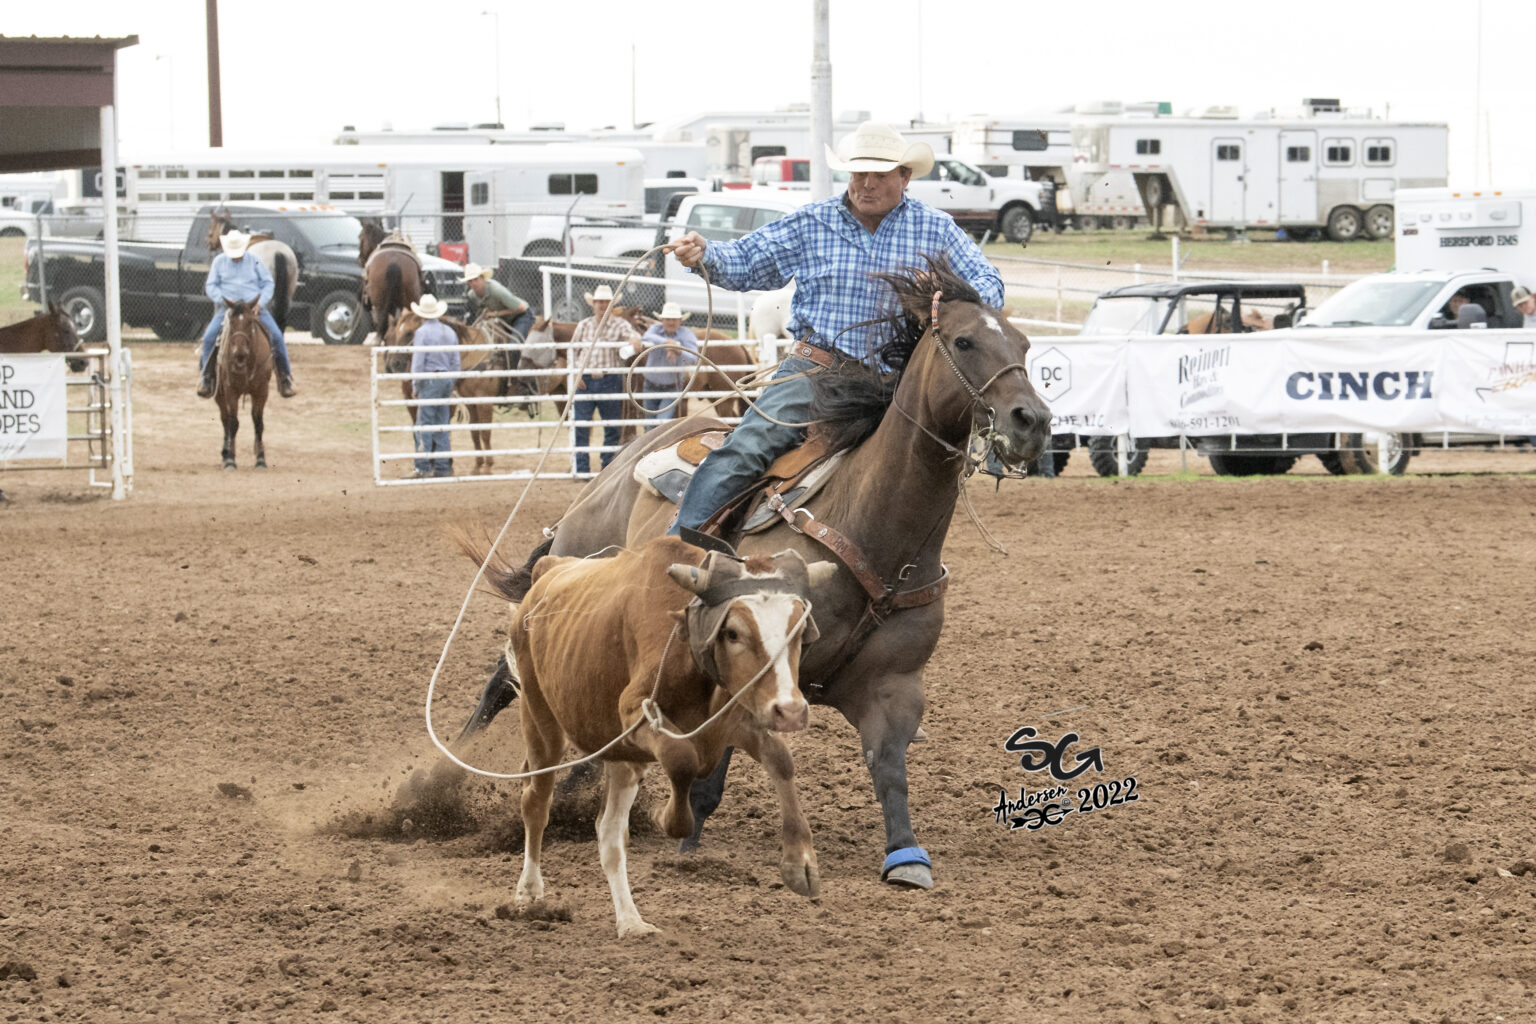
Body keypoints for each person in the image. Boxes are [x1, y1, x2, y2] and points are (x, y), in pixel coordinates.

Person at [665, 121, 1004, 534]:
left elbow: (989, 285)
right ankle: (675, 547)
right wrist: (706, 253)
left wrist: (945, 295)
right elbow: (749, 259)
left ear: (905, 177)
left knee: (934, 460)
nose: (866, 184)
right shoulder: (813, 222)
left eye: (879, 175)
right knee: (748, 449)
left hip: (897, 381)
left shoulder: (935, 229)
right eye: (859, 174)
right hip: (817, 373)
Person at [197, 230, 296, 398]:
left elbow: (267, 283)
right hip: (228, 308)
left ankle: (285, 378)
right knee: (209, 337)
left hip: (253, 307)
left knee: (277, 336)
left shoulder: (255, 261)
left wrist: (260, 303)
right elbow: (211, 286)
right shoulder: (219, 262)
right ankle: (206, 378)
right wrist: (223, 299)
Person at [568, 284, 642, 474]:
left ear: (611, 305)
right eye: (599, 302)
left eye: (605, 302)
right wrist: (576, 373)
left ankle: (606, 469)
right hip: (585, 380)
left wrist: (634, 341)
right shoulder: (584, 325)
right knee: (581, 426)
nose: (602, 305)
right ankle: (581, 469)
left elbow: (634, 337)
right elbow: (572, 350)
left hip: (610, 379)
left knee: (612, 428)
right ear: (593, 304)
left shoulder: (620, 324)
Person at [408, 294, 458, 478]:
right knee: (441, 422)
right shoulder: (449, 332)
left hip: (430, 379)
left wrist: (415, 386)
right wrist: (451, 382)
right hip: (446, 379)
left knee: (424, 422)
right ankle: (443, 466)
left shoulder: (422, 333)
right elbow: (456, 361)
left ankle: (422, 466)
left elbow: (418, 362)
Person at [634, 301, 700, 426]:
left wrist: (678, 350)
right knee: (650, 425)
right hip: (650, 385)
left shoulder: (686, 334)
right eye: (668, 319)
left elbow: (693, 359)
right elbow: (646, 337)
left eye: (674, 319)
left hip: (672, 387)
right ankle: (653, 446)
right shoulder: (655, 330)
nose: (671, 322)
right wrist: (668, 343)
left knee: (662, 423)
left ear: (680, 321)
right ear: (662, 320)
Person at [462, 262, 535, 339]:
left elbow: (521, 308)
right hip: (504, 320)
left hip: (521, 316)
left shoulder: (496, 290)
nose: (473, 283)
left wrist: (495, 314)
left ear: (483, 278)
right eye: (470, 281)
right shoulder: (472, 295)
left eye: (476, 279)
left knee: (513, 346)